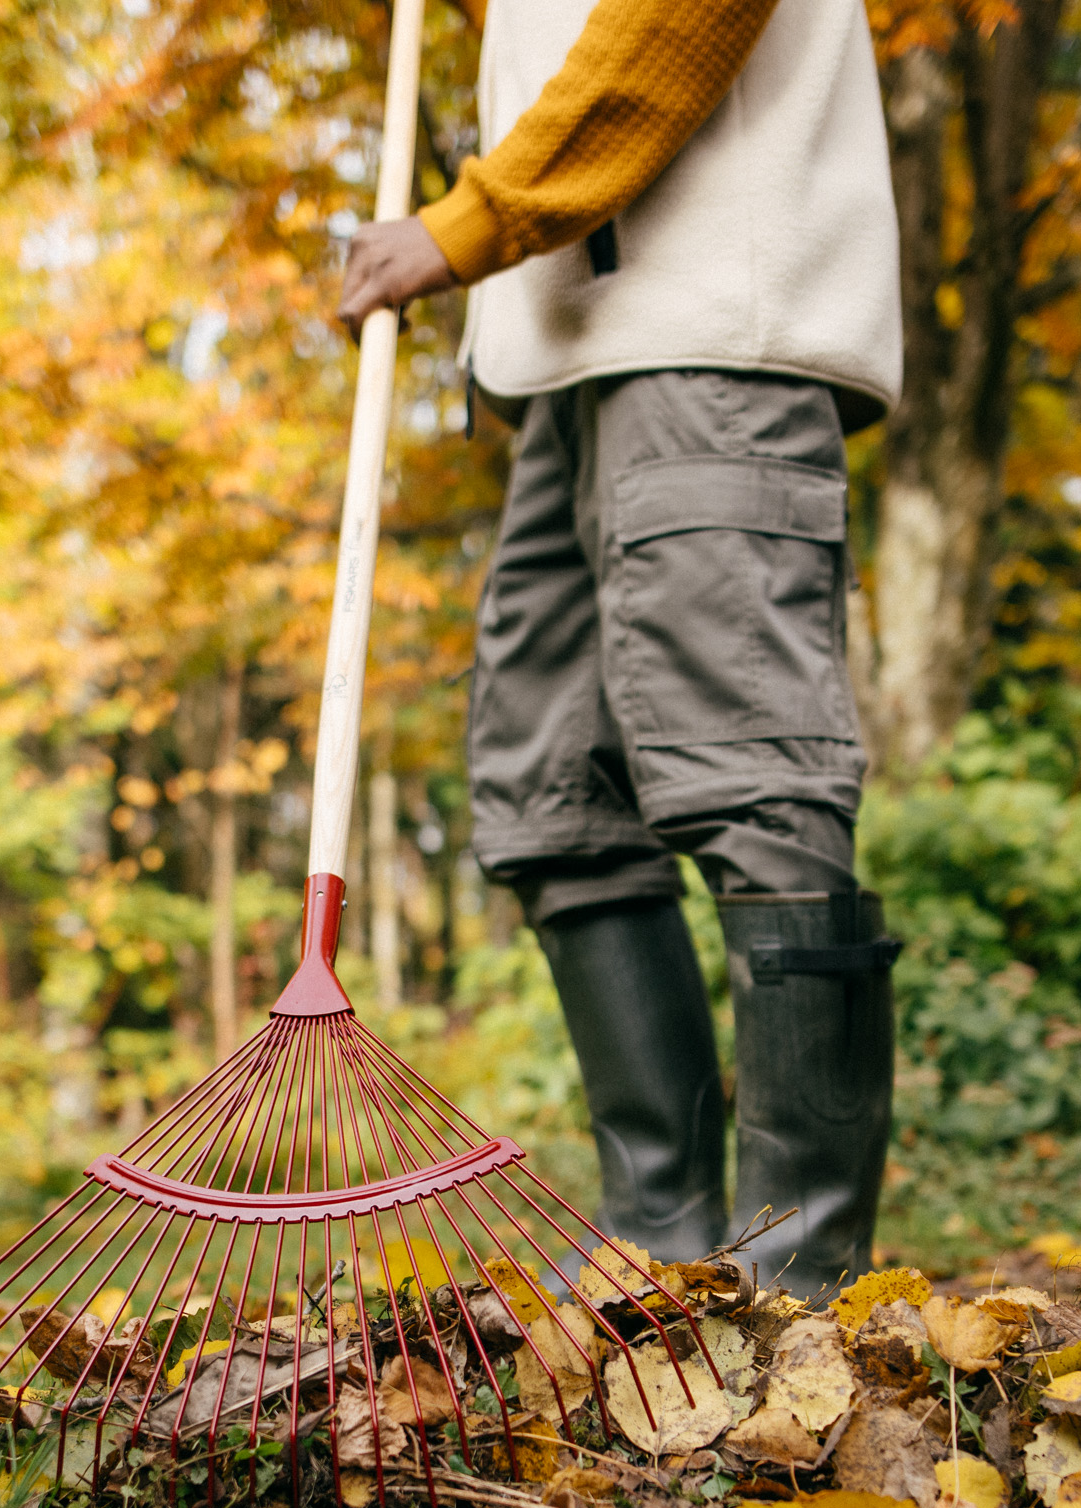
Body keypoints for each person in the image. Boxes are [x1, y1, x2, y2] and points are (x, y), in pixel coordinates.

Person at [339, 0, 903, 1298]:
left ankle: (795, 1291)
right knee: (557, 806)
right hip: (568, 370)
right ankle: (667, 1259)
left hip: (714, 339)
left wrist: (462, 226)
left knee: (754, 776)